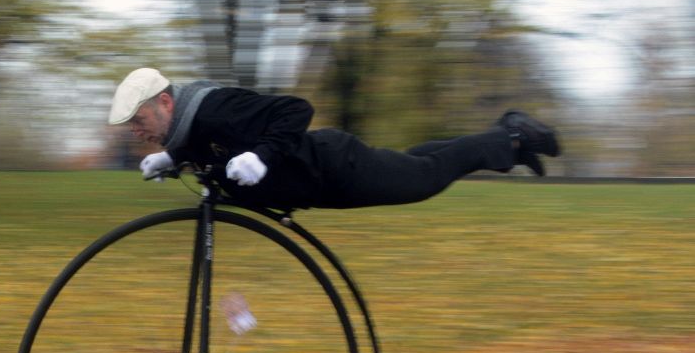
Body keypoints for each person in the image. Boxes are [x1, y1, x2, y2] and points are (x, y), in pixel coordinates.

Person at [108, 67, 562, 211]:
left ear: (165, 102)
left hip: (334, 168)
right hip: (321, 182)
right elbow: (209, 145)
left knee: (423, 178)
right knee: (413, 164)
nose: (136, 131)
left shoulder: (216, 107)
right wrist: (174, 159)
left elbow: (295, 110)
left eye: (139, 118)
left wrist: (261, 156)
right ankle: (506, 144)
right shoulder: (191, 127)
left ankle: (512, 135)